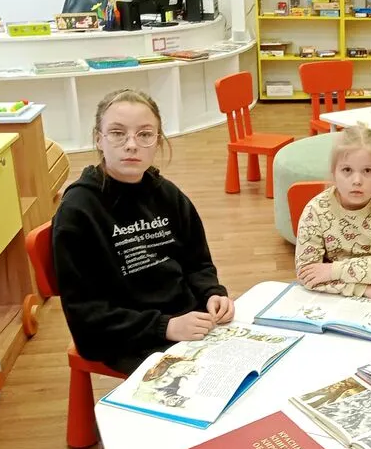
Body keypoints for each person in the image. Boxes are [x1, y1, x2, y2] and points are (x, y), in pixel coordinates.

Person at [52, 87, 234, 375]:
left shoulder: (168, 194)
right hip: (128, 339)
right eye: (117, 133)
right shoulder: (78, 210)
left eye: (145, 134)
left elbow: (197, 263)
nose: (131, 145)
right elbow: (86, 315)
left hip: (188, 321)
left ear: (157, 140)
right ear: (98, 139)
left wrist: (212, 293)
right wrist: (165, 327)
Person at [295, 124, 371, 301]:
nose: (357, 181)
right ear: (334, 173)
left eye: (368, 171)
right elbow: (306, 274)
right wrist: (362, 288)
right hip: (334, 293)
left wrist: (333, 270)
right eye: (347, 170)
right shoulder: (316, 210)